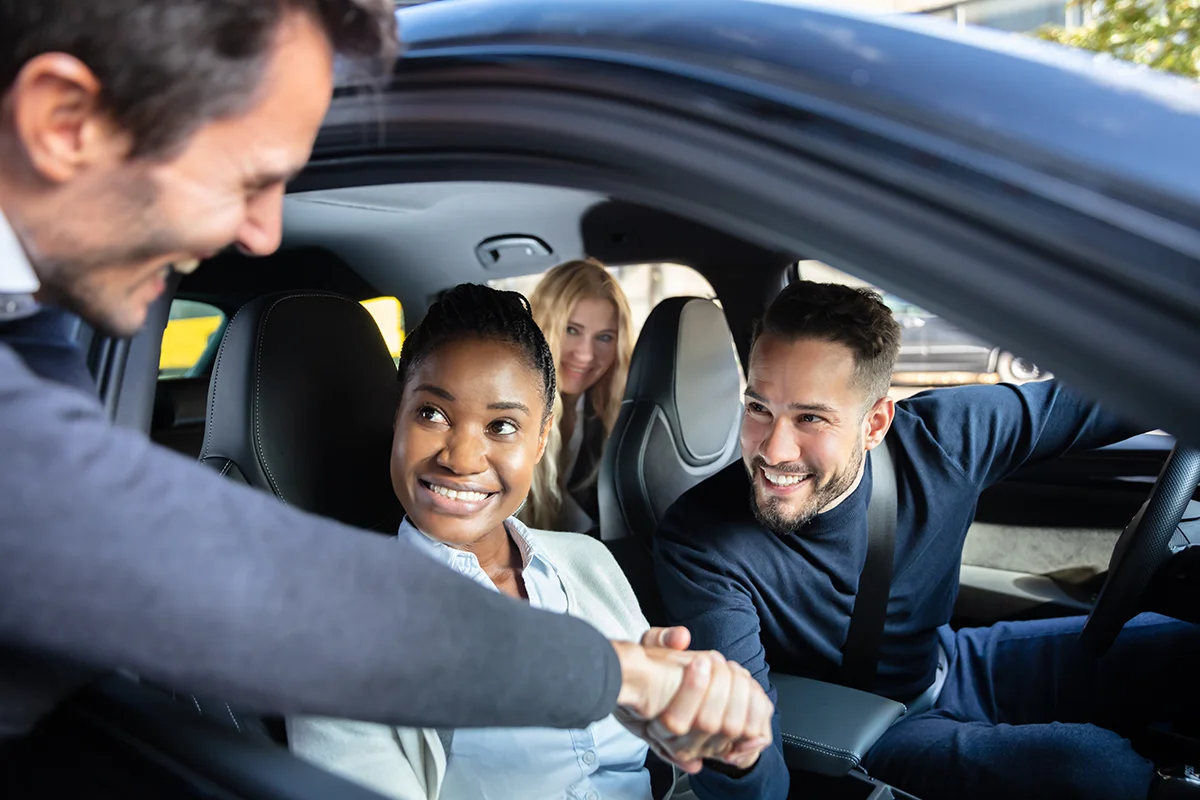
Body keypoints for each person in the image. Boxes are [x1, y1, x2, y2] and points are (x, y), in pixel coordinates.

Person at [0, 0, 766, 775]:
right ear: (64, 120)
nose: (262, 233)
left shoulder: (29, 332)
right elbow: (271, 589)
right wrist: (627, 674)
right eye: (247, 176)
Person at [653, 280, 1200, 800]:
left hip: (952, 665)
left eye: (811, 418)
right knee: (1092, 768)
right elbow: (752, 760)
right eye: (758, 409)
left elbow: (1116, 397)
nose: (773, 450)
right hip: (862, 729)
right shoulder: (699, 542)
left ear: (875, 424)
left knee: (1186, 648)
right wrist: (733, 751)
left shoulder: (948, 438)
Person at [288, 284, 773, 799]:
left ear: (540, 439)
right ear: (398, 417)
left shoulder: (589, 563)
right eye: (432, 414)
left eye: (501, 426)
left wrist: (724, 750)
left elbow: (675, 780)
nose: (462, 457)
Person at [524, 258, 634, 533]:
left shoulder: (615, 415)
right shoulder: (505, 412)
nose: (585, 354)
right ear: (541, 327)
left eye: (605, 337)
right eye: (571, 330)